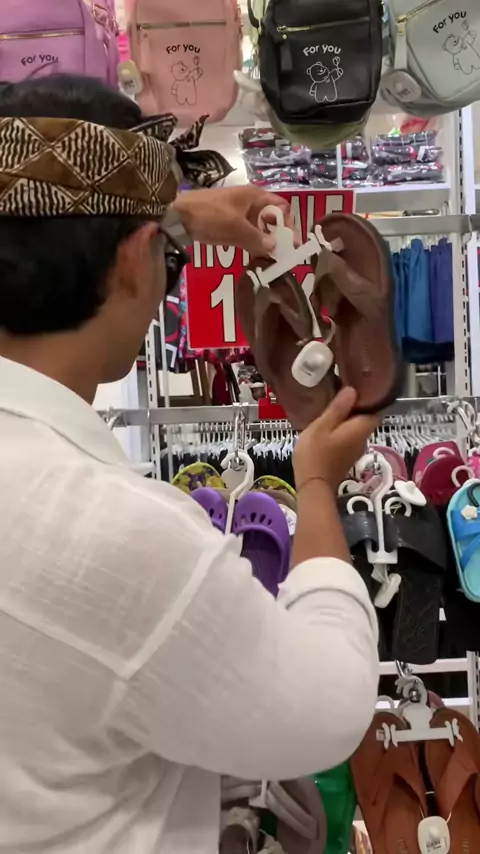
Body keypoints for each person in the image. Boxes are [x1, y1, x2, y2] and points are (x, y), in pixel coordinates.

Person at [0, 75, 379, 853]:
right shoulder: (121, 541)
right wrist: (314, 484)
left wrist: (172, 217)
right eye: (168, 256)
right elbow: (326, 708)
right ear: (137, 260)